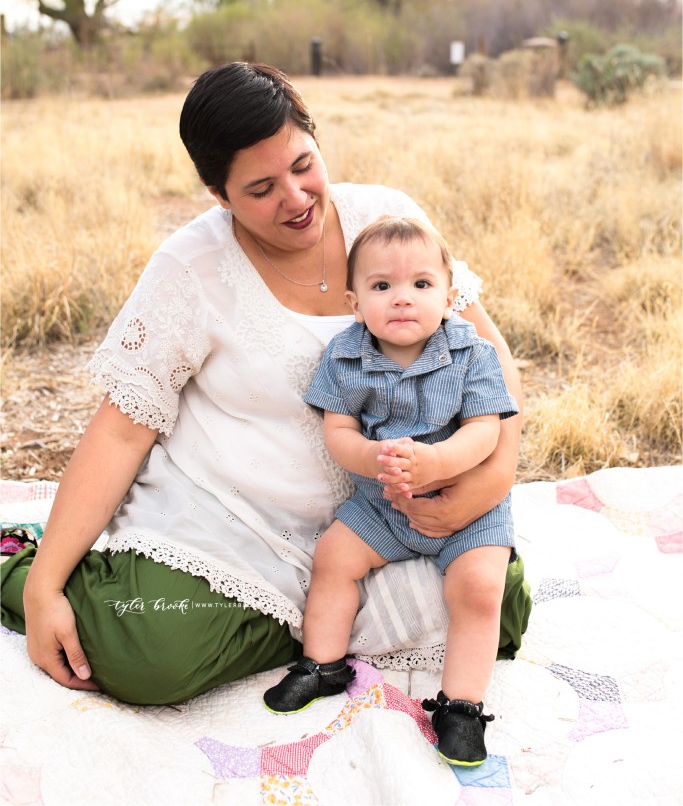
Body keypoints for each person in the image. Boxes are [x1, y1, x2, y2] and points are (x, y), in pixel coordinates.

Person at [0, 62, 531, 707]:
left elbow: (489, 361)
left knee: (501, 610)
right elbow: (120, 429)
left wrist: (485, 483)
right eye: (260, 188)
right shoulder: (190, 267)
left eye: (303, 164)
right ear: (218, 194)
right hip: (238, 525)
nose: (297, 198)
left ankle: (308, 630)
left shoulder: (389, 221)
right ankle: (20, 561)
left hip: (380, 522)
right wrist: (44, 587)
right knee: (150, 660)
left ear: (315, 136)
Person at [263, 217, 519, 766]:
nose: (402, 299)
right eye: (382, 287)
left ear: (450, 296)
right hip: (383, 503)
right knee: (334, 557)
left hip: (470, 508)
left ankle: (461, 708)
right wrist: (371, 457)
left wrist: (437, 460)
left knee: (478, 589)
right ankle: (322, 664)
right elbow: (339, 431)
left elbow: (486, 429)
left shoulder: (471, 353)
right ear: (356, 303)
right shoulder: (345, 355)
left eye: (421, 285)